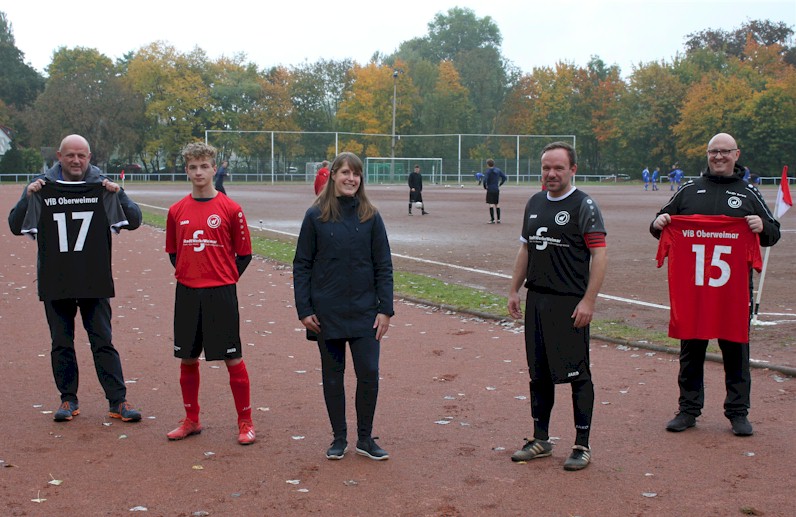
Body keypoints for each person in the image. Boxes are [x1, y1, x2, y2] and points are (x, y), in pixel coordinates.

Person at [650, 132, 780, 437]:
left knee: (736, 351)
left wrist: (762, 227)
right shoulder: (689, 189)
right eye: (713, 152)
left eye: (724, 152)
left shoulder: (749, 192)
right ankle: (688, 410)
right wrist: (658, 224)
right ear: (707, 155)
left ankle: (737, 413)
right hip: (693, 292)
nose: (718, 157)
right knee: (690, 351)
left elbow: (774, 232)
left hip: (733, 294)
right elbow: (661, 222)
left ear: (736, 155)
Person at [7, 134, 143, 423]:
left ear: (89, 157)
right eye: (70, 155)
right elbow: (15, 225)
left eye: (81, 155)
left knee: (103, 341)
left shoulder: (102, 186)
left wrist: (118, 193)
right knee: (61, 342)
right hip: (55, 278)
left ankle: (118, 401)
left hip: (93, 278)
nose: (76, 160)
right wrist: (28, 197)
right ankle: (68, 399)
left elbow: (134, 220)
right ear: (59, 156)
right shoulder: (41, 187)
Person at [507, 141, 607, 471]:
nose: (551, 173)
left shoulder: (584, 205)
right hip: (537, 300)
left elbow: (600, 255)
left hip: (569, 304)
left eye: (558, 168)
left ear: (572, 170)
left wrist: (589, 301)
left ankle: (582, 444)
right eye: (546, 168)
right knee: (539, 375)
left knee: (578, 376)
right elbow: (526, 250)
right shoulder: (534, 202)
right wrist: (514, 290)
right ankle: (540, 439)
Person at [293, 151, 394, 461]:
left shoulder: (371, 216)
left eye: (356, 174)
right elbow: (302, 265)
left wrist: (385, 309)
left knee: (369, 373)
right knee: (333, 377)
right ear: (333, 175)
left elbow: (384, 266)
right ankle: (339, 437)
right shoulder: (315, 216)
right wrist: (304, 308)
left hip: (365, 312)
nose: (351, 178)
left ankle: (365, 438)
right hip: (326, 313)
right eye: (346, 173)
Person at [165, 142, 256, 445]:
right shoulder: (176, 211)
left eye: (204, 166)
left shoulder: (231, 209)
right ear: (187, 171)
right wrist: (192, 274)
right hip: (188, 294)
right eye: (193, 167)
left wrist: (224, 279)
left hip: (221, 295)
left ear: (213, 169)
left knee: (233, 359)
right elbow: (174, 253)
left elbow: (244, 254)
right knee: (188, 359)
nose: (199, 172)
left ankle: (245, 422)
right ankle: (192, 419)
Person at [483, 159, 507, 224]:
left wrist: (485, 186)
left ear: (487, 164)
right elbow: (504, 177)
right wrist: (500, 184)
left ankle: (492, 219)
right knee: (497, 204)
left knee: (491, 204)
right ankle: (498, 219)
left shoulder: (488, 171)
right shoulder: (498, 170)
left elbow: (485, 180)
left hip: (490, 189)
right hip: (496, 189)